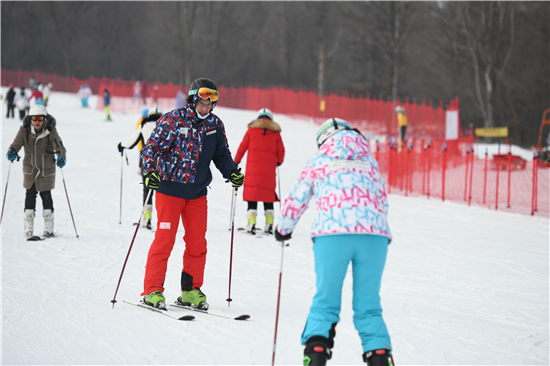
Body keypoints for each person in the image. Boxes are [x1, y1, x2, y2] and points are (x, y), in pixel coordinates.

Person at [275, 118, 394, 366]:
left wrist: (283, 228)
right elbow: (382, 202)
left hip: (332, 233)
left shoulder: (319, 159)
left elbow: (298, 197)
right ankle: (380, 357)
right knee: (369, 306)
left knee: (326, 302)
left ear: (323, 140)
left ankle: (316, 354)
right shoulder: (370, 162)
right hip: (374, 236)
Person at [139, 77, 244, 310]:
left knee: (197, 243)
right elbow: (152, 149)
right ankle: (152, 290)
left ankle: (190, 290)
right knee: (165, 240)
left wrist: (232, 171)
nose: (206, 108)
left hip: (197, 193)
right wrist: (149, 172)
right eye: (202, 103)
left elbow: (222, 154)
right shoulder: (173, 120)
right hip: (169, 190)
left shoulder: (215, 125)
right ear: (192, 100)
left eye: (210, 104)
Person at [6, 105, 67, 239]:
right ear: (30, 119)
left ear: (45, 119)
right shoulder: (24, 131)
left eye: (40, 118)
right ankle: (28, 226)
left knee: (46, 196)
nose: (37, 122)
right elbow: (16, 144)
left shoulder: (51, 130)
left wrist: (61, 157)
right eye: (34, 119)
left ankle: (48, 226)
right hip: (31, 170)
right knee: (30, 194)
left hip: (46, 169)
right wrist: (12, 152)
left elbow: (60, 147)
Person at [234, 108, 285, 235]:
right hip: (269, 171)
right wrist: (278, 162)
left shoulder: (251, 130)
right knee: (268, 196)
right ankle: (269, 224)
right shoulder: (276, 133)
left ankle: (251, 224)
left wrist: (235, 162)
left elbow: (242, 147)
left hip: (253, 170)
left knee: (253, 195)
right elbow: (281, 152)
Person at [117, 107, 164, 229]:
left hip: (148, 164)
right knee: (164, 193)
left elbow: (131, 143)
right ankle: (165, 222)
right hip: (164, 165)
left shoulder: (143, 126)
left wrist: (121, 145)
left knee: (147, 191)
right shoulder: (167, 126)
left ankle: (147, 219)